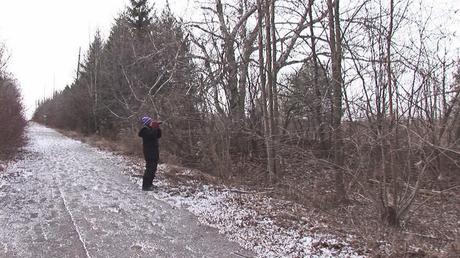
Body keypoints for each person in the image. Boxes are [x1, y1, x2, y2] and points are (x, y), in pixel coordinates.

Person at [138, 116, 162, 191]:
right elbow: (151, 135)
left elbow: (158, 135)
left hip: (154, 152)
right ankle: (145, 186)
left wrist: (157, 127)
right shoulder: (145, 130)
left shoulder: (151, 129)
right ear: (148, 123)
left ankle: (150, 184)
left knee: (153, 169)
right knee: (149, 169)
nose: (152, 122)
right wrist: (154, 127)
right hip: (149, 153)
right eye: (151, 122)